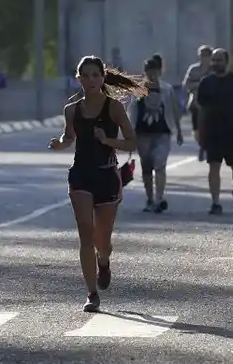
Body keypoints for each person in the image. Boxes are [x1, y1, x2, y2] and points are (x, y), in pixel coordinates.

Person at [48, 56, 145, 313]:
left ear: (102, 78)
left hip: (106, 175)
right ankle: (91, 294)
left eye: (95, 75)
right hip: (80, 175)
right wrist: (60, 144)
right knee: (85, 236)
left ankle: (104, 261)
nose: (90, 80)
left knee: (103, 241)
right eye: (85, 75)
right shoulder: (72, 110)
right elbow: (69, 136)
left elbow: (131, 142)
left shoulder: (113, 108)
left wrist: (108, 140)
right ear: (78, 78)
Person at [191, 47, 233, 214]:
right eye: (214, 60)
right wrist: (198, 129)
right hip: (212, 131)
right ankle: (215, 202)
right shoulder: (206, 82)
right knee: (213, 166)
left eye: (219, 60)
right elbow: (200, 108)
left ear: (227, 61)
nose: (215, 63)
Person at [134, 55, 182, 214]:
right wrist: (129, 133)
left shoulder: (167, 89)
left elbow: (174, 110)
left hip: (163, 132)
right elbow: (131, 112)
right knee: (146, 167)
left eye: (155, 71)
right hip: (143, 134)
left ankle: (159, 198)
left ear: (159, 71)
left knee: (160, 165)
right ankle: (149, 199)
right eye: (149, 71)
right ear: (145, 71)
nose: (152, 74)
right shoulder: (138, 88)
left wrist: (179, 130)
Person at [182, 45, 213, 162]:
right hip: (195, 102)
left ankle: (206, 147)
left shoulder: (214, 69)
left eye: (206, 56)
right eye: (202, 56)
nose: (204, 58)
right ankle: (201, 145)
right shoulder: (193, 69)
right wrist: (199, 84)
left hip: (211, 103)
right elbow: (186, 84)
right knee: (197, 128)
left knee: (210, 126)